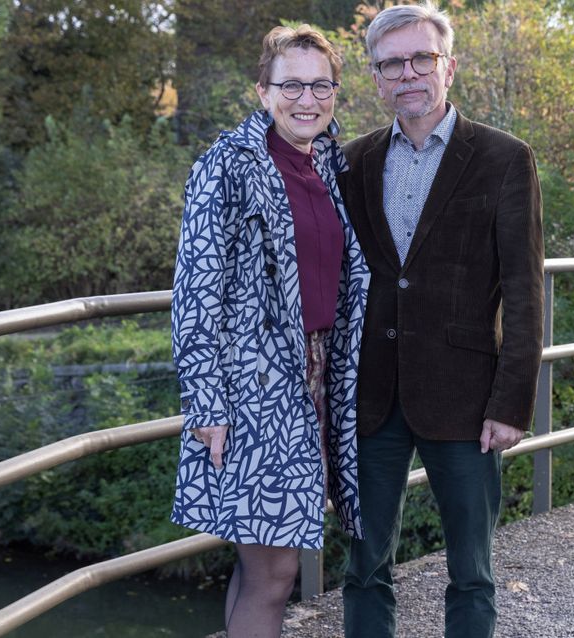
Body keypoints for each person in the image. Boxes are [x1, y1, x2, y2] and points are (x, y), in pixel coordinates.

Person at [338, 2, 544, 637]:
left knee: (472, 571)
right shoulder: (352, 161)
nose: (408, 74)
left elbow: (525, 289)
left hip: (466, 398)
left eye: (420, 58)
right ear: (376, 78)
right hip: (371, 398)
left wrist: (511, 403)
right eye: (391, 64)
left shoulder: (505, 159)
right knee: (365, 566)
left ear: (447, 66)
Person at [169, 24, 370, 638]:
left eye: (320, 85)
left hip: (315, 381)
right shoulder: (226, 166)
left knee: (260, 565)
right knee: (276, 571)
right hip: (250, 387)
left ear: (335, 92)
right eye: (291, 85)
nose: (306, 99)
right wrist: (208, 403)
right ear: (263, 90)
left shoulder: (330, 163)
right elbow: (195, 291)